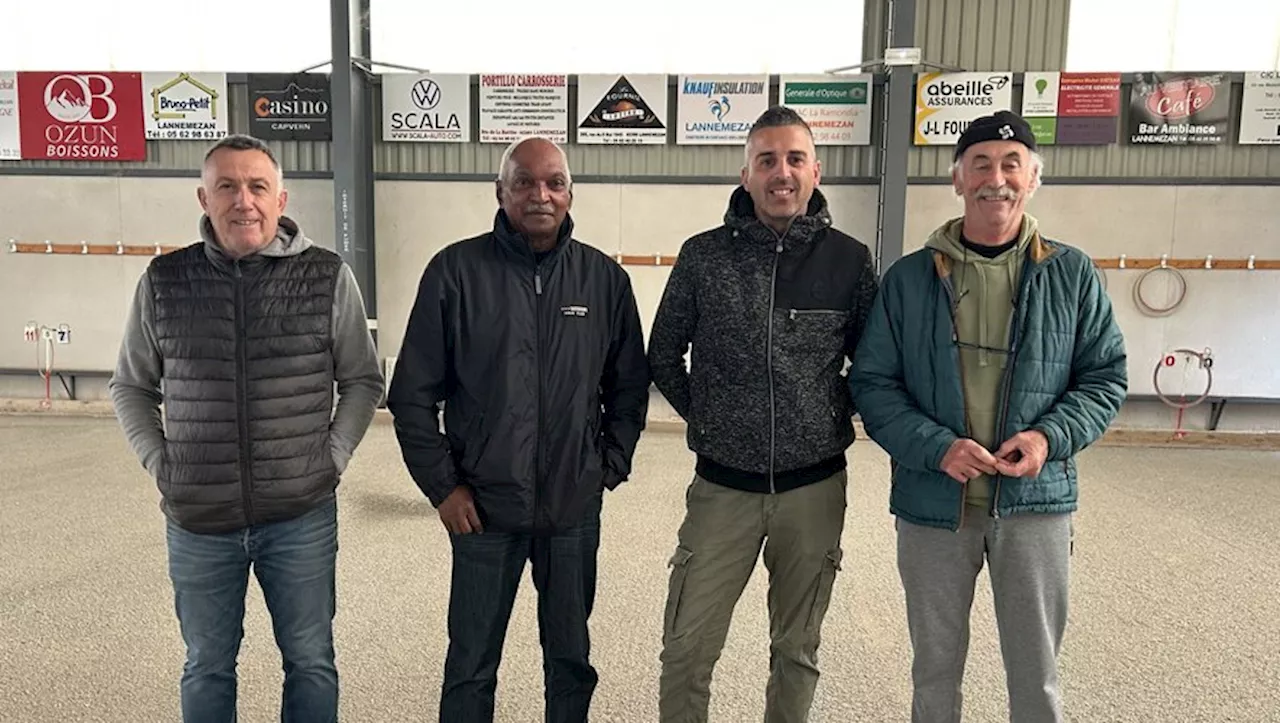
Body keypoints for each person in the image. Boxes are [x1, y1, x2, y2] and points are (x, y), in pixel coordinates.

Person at [848, 110, 1128, 722]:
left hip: (1035, 506)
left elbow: (1105, 378)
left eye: (1011, 165)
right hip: (933, 508)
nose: (995, 178)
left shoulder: (1072, 274)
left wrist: (1048, 437)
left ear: (1033, 179)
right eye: (980, 164)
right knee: (934, 672)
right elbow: (871, 383)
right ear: (957, 179)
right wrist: (934, 446)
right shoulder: (908, 280)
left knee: (1037, 675)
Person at [108, 133, 385, 723]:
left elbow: (363, 379)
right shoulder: (164, 281)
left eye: (257, 186)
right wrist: (163, 464)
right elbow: (131, 386)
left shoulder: (327, 277)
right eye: (227, 186)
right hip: (199, 520)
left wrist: (331, 457)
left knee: (310, 661)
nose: (244, 201)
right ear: (203, 198)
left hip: (300, 516)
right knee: (207, 664)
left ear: (280, 199)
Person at [386, 135, 650, 723]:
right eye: (525, 182)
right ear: (500, 192)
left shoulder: (604, 281)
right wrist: (442, 488)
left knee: (570, 661)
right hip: (482, 511)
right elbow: (410, 395)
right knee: (471, 665)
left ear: (570, 193)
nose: (541, 194)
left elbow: (630, 387)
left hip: (571, 512)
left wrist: (607, 465)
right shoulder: (455, 273)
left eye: (554, 182)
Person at [647, 105, 879, 722]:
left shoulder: (850, 262)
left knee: (796, 649)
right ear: (745, 174)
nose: (782, 172)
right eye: (768, 160)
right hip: (722, 489)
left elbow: (877, 365)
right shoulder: (703, 257)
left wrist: (830, 411)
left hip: (814, 489)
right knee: (687, 648)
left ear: (816, 171)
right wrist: (709, 418)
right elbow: (663, 353)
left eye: (795, 159)